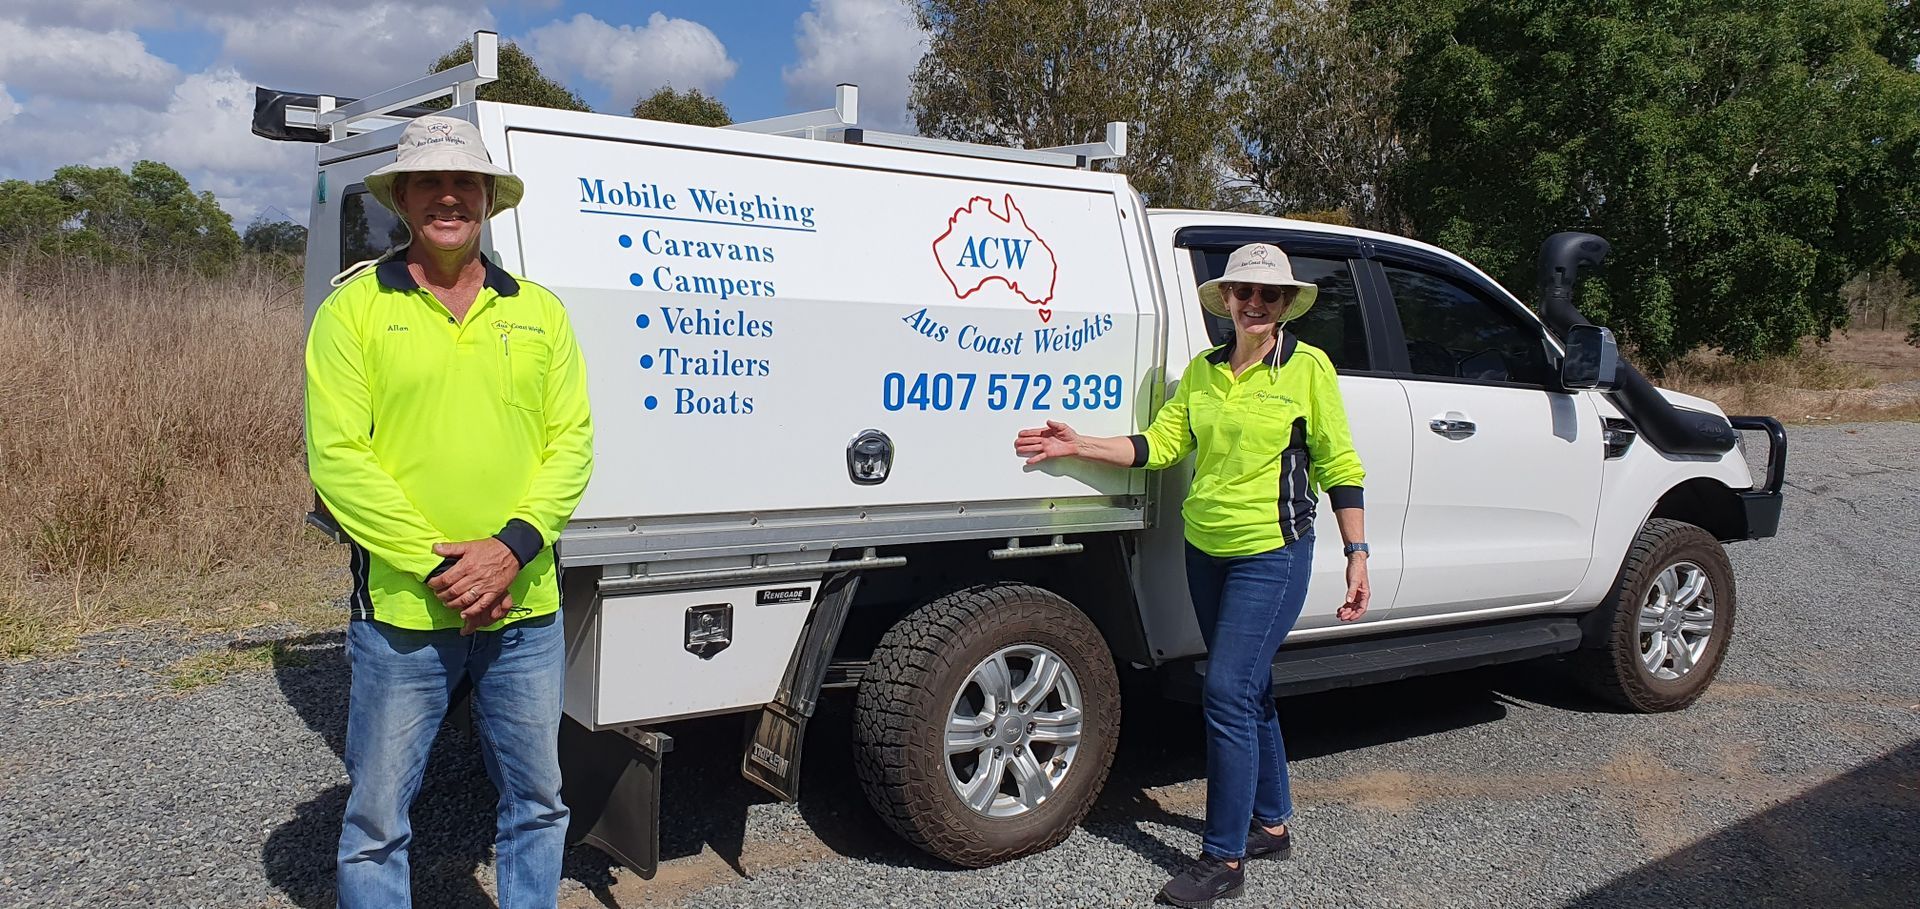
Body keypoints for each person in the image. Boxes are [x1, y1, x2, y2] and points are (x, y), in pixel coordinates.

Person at [1014, 242, 1369, 908]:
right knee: (1250, 687)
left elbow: (1339, 463)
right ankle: (1272, 824)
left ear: (1286, 303)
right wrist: (1079, 443)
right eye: (1244, 292)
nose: (1255, 303)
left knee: (1227, 692)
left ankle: (1223, 858)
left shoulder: (1307, 368)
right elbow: (1161, 444)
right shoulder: (1203, 372)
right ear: (1226, 299)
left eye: (1268, 294)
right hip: (1205, 550)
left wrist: (1358, 552)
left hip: (1272, 553)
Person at [305, 115, 594, 909]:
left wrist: (509, 549)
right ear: (401, 198)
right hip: (404, 611)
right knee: (377, 819)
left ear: (488, 200)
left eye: (464, 181)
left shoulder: (539, 312)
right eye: (429, 181)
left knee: (538, 802)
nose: (448, 196)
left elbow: (571, 445)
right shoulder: (354, 310)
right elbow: (339, 460)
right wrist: (447, 567)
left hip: (524, 606)